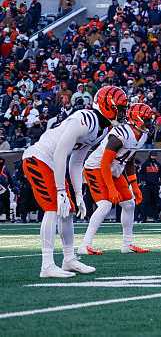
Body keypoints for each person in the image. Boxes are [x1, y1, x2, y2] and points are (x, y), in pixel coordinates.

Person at [21, 85, 127, 278]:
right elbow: (61, 151)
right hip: (40, 157)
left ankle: (69, 259)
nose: (122, 113)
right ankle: (47, 265)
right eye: (119, 108)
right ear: (107, 106)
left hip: (53, 163)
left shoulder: (102, 129)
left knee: (67, 211)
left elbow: (77, 161)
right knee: (53, 207)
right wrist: (61, 190)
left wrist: (78, 193)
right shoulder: (85, 119)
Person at [80, 103, 155, 255]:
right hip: (96, 168)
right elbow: (104, 163)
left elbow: (130, 161)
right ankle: (84, 245)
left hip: (114, 170)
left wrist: (134, 186)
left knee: (129, 204)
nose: (149, 123)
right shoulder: (120, 135)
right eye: (146, 119)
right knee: (105, 205)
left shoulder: (142, 135)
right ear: (136, 119)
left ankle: (127, 245)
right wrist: (112, 189)